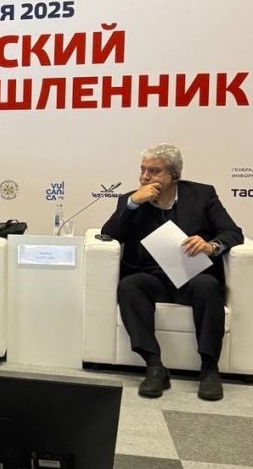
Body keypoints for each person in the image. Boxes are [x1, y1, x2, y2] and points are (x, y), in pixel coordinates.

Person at [101, 143, 243, 401]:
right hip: (152, 277)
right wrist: (132, 204)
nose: (145, 177)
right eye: (142, 170)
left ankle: (209, 369)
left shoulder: (202, 195)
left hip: (191, 277)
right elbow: (109, 235)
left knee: (208, 286)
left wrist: (211, 246)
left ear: (174, 175)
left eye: (154, 171)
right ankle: (154, 366)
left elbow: (232, 232)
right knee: (129, 286)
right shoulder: (131, 199)